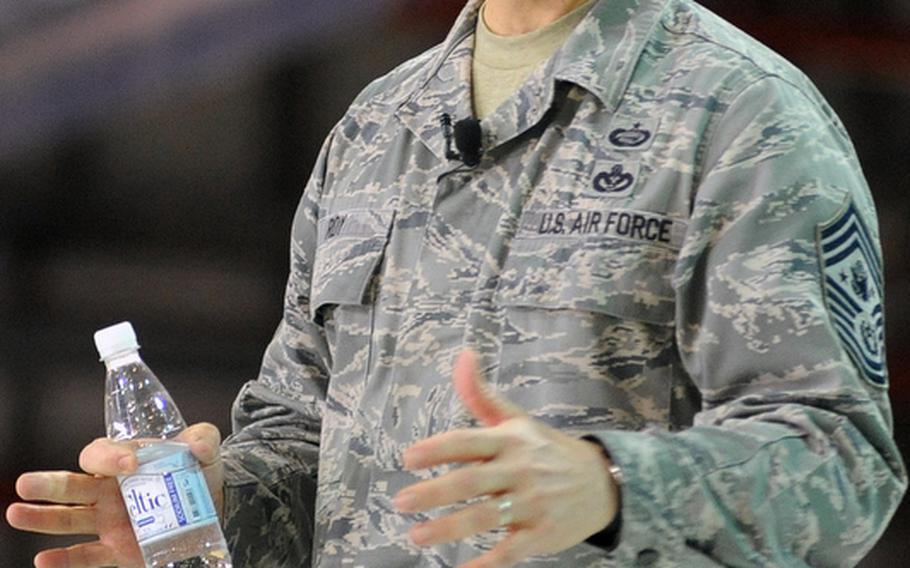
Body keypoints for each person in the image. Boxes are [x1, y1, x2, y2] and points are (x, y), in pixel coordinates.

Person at [6, 0, 907, 566]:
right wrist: (205, 510)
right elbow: (300, 439)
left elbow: (840, 463)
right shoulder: (374, 128)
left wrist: (612, 486)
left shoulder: (742, 114)